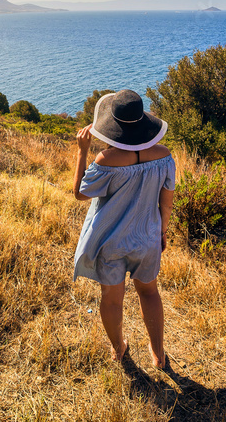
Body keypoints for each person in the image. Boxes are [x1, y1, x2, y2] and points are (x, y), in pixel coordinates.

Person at [72, 89, 176, 367]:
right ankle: (158, 353)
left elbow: (80, 193)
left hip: (112, 242)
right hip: (147, 238)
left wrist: (82, 152)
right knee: (150, 292)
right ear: (143, 123)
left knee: (112, 298)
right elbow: (166, 204)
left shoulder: (106, 160)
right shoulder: (164, 156)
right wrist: (162, 232)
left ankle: (118, 348)